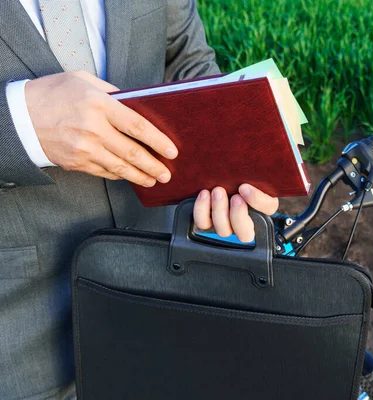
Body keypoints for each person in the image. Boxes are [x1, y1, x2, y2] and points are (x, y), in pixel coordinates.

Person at [0, 1, 279, 398]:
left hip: (163, 293)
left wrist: (230, 160)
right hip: (17, 342)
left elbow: (184, 57)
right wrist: (19, 124)